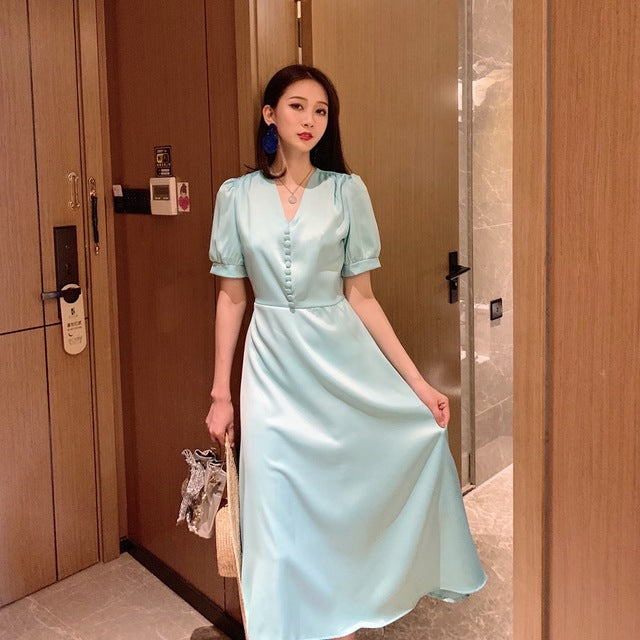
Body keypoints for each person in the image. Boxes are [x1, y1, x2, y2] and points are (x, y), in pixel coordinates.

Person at [206, 64, 487, 640]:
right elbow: (232, 297)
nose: (310, 119)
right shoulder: (235, 196)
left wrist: (418, 385)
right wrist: (220, 394)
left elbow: (362, 298)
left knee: (343, 501)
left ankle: (342, 624)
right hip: (270, 368)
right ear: (269, 114)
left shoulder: (345, 192)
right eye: (297, 106)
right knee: (275, 511)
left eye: (321, 110)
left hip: (340, 362)